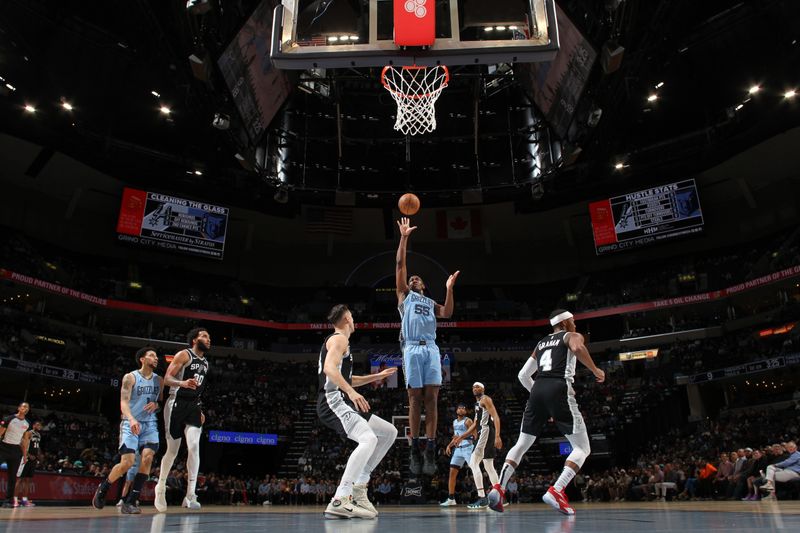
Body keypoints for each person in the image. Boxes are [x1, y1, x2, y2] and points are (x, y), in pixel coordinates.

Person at [488, 309, 605, 515]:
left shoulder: (541, 343)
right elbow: (578, 348)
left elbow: (523, 375)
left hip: (537, 390)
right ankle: (557, 490)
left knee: (522, 444)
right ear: (566, 322)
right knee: (582, 448)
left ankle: (499, 487)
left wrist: (541, 396)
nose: (575, 324)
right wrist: (596, 370)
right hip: (558, 387)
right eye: (573, 321)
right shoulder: (572, 336)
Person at [317, 304, 399, 519]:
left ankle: (360, 486)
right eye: (352, 317)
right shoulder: (339, 339)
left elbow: (345, 377)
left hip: (340, 400)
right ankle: (341, 498)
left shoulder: (341, 343)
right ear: (346, 320)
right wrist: (352, 393)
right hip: (333, 402)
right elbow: (329, 369)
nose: (354, 321)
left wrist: (376, 377)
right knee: (369, 439)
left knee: (389, 432)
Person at [395, 216, 459, 476]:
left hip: (431, 348)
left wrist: (449, 289)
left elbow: (448, 313)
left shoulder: (431, 302)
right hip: (411, 348)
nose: (413, 279)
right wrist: (404, 236)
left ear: (423, 285)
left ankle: (430, 447)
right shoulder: (404, 297)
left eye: (417, 279)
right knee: (414, 399)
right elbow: (400, 264)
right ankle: (413, 448)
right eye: (411, 279)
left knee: (432, 399)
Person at [92, 347, 163, 513]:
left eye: (156, 356)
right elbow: (123, 402)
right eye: (152, 356)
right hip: (130, 422)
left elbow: (160, 402)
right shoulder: (130, 377)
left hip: (150, 423)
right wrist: (131, 419)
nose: (156, 358)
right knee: (128, 463)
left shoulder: (159, 380)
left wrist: (157, 405)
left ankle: (131, 501)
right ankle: (104, 487)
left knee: (147, 458)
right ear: (142, 359)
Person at [155, 327, 211, 512]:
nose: (208, 339)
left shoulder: (205, 363)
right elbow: (167, 378)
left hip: (193, 406)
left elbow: (198, 388)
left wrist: (199, 408)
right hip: (176, 403)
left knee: (194, 446)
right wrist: (182, 383)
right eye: (204, 336)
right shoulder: (184, 355)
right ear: (194, 340)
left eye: (209, 337)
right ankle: (160, 486)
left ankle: (190, 495)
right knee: (172, 451)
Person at [450, 382, 503, 509]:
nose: (475, 388)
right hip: (485, 431)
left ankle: (482, 498)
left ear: (483, 389)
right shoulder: (477, 404)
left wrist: (497, 436)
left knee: (473, 463)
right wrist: (461, 437)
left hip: (485, 431)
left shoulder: (486, 399)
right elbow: (475, 423)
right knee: (489, 465)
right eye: (473, 387)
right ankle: (499, 496)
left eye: (478, 386)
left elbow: (495, 416)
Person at [440, 402, 474, 506]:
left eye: (463, 408)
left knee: (475, 471)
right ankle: (451, 498)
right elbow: (456, 437)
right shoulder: (454, 422)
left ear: (466, 411)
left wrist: (462, 438)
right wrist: (449, 445)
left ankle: (484, 496)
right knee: (452, 473)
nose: (461, 410)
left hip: (468, 448)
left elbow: (474, 436)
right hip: (458, 450)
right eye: (459, 408)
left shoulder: (468, 421)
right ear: (456, 411)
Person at [0, 402, 31, 508]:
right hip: (3, 447)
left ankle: (7, 501)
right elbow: (0, 432)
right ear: (19, 408)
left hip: (16, 450)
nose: (25, 408)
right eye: (23, 406)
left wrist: (25, 455)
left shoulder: (27, 423)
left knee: (12, 477)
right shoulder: (9, 418)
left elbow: (25, 440)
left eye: (27, 407)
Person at [15, 420, 42, 507]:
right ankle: (14, 499)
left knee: (27, 480)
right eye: (37, 425)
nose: (39, 426)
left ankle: (24, 500)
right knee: (19, 479)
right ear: (33, 425)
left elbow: (36, 447)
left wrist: (38, 456)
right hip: (25, 458)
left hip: (33, 459)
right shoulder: (28, 433)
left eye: (40, 425)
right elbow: (20, 443)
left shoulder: (38, 435)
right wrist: (28, 454)